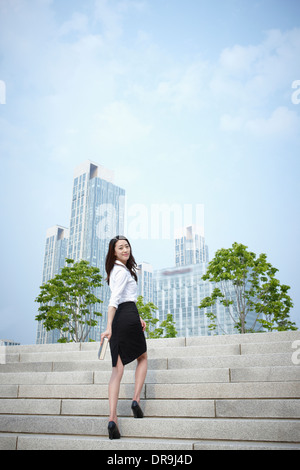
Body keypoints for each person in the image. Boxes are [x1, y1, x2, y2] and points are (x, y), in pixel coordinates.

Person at [100, 235, 148, 440]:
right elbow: (114, 300)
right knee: (143, 358)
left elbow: (124, 298)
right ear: (114, 252)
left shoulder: (117, 270)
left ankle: (113, 419)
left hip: (126, 316)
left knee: (116, 371)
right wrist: (108, 326)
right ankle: (135, 400)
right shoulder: (121, 271)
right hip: (123, 316)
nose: (125, 250)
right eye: (120, 248)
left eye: (127, 246)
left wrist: (138, 317)